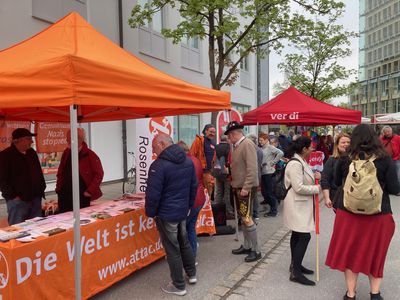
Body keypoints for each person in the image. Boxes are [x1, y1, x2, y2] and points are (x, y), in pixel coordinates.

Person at [326, 124, 400, 300]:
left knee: (350, 254)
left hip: (348, 214)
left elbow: (337, 182)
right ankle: (375, 294)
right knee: (376, 254)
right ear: (375, 137)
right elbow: (394, 188)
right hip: (378, 215)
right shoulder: (385, 159)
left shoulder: (345, 159)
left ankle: (351, 294)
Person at [146, 133, 197, 296]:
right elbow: (193, 187)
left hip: (167, 213)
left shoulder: (158, 165)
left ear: (161, 144)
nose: (153, 151)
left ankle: (178, 285)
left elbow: (153, 195)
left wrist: (151, 213)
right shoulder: (188, 160)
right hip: (181, 211)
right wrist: (188, 205)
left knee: (172, 249)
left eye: (154, 147)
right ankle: (192, 274)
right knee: (184, 242)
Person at [283, 136, 321, 286]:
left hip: (301, 205)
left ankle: (295, 265)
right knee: (304, 236)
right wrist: (316, 188)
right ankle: (296, 272)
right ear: (304, 149)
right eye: (310, 147)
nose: (312, 149)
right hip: (297, 204)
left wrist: (316, 175)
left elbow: (306, 179)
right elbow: (298, 187)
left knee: (298, 235)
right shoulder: (295, 164)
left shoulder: (301, 161)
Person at [226, 121, 261, 262]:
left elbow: (252, 169)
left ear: (235, 134)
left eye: (229, 136)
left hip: (245, 188)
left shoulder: (247, 144)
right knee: (244, 218)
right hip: (239, 187)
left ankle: (256, 250)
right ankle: (247, 246)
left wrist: (246, 187)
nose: (228, 139)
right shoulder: (238, 145)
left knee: (247, 218)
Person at [0, 128, 46, 225]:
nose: (31, 141)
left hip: (35, 198)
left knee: (36, 228)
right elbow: (2, 180)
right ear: (17, 141)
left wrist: (42, 187)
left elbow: (38, 171)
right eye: (28, 138)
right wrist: (13, 196)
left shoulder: (31, 153)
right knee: (18, 230)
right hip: (18, 201)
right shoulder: (6, 155)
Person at [56, 128, 104, 213]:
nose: (67, 140)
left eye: (69, 138)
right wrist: (58, 188)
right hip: (64, 195)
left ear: (78, 139)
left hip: (81, 195)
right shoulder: (66, 152)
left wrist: (89, 191)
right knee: (64, 218)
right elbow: (61, 172)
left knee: (81, 219)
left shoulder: (90, 155)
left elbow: (99, 174)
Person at [177, 140, 206, 264]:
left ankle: (187, 259)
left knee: (183, 232)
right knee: (191, 229)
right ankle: (192, 257)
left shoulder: (184, 163)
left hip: (191, 201)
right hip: (199, 199)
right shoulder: (195, 160)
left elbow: (185, 185)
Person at [321, 133, 351, 209]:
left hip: (353, 197)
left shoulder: (355, 159)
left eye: (348, 142)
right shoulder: (332, 160)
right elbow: (325, 180)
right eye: (343, 142)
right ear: (337, 145)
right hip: (337, 197)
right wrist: (327, 198)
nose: (346, 144)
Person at [258, 133, 284, 217]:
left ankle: (274, 211)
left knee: (270, 192)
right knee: (264, 192)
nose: (260, 141)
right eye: (259, 140)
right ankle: (272, 207)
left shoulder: (270, 147)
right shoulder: (262, 148)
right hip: (263, 172)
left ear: (266, 140)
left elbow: (280, 153)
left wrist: (273, 162)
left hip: (269, 172)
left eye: (261, 140)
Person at [190, 124, 216, 196]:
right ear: (206, 131)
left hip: (209, 172)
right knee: (200, 192)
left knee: (209, 192)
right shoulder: (199, 140)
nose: (212, 134)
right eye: (211, 131)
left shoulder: (213, 143)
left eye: (214, 132)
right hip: (200, 171)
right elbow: (192, 154)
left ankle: (207, 206)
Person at [214, 134, 234, 217]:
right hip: (226, 172)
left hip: (217, 172)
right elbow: (231, 160)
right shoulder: (230, 148)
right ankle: (228, 210)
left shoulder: (216, 147)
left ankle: (218, 210)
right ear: (227, 139)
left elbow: (213, 160)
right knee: (227, 192)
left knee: (219, 192)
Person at [247, 133, 263, 221]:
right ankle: (255, 213)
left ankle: (252, 214)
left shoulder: (251, 149)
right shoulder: (259, 150)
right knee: (255, 195)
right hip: (258, 174)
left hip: (252, 174)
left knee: (251, 195)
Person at [380, 125, 400, 194]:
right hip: (385, 159)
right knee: (386, 175)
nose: (387, 133)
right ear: (383, 132)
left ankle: (397, 190)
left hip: (396, 158)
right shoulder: (381, 139)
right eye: (386, 132)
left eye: (389, 131)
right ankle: (388, 189)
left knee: (397, 175)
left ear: (391, 131)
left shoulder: (397, 138)